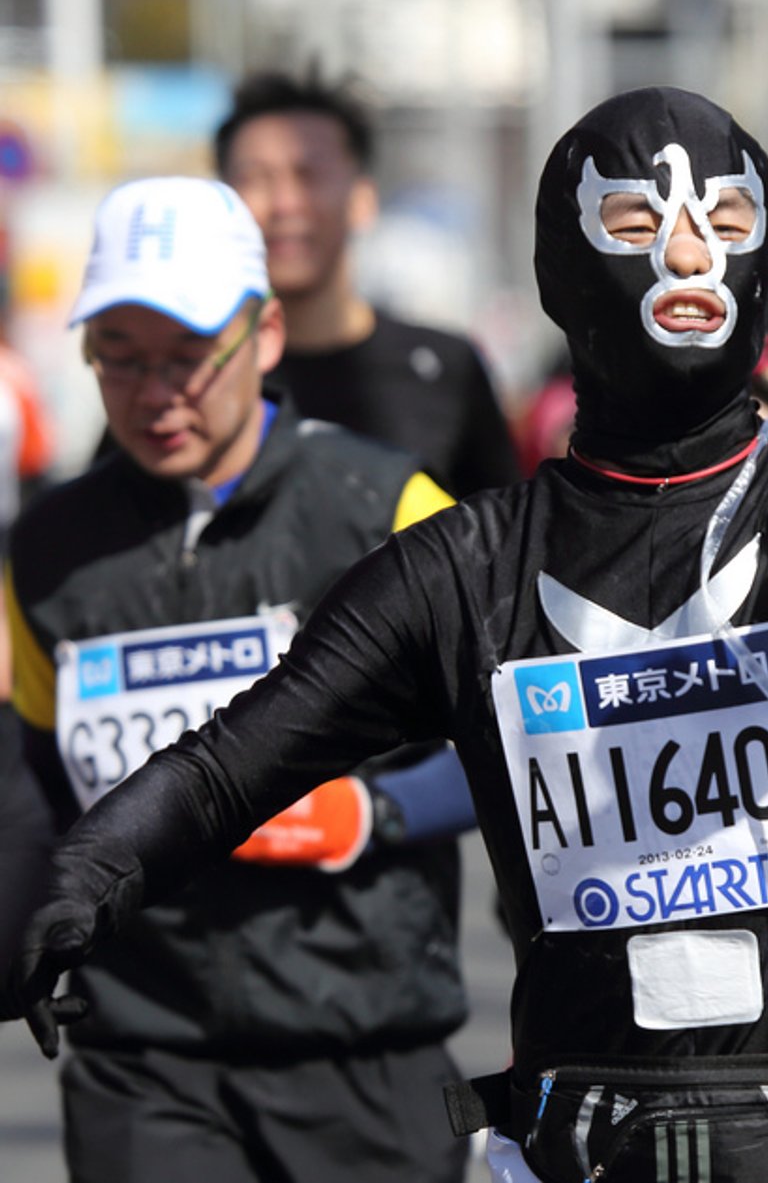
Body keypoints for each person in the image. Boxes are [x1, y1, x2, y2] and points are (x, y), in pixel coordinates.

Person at [3, 61, 768, 1181]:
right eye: (637, 218)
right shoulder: (461, 571)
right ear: (564, 267)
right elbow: (227, 770)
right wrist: (84, 874)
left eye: (728, 218)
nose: (688, 254)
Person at [1, 177, 466, 1182]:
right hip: (142, 1059)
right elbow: (38, 788)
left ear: (262, 337)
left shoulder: (387, 506)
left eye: (184, 357)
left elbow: (528, 740)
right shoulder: (43, 550)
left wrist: (368, 814)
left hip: (363, 1051)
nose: (154, 391)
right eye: (118, 357)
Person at [215, 69, 521, 498]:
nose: (284, 204)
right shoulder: (195, 373)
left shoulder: (446, 369)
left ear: (363, 199)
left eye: (308, 174)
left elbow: (503, 544)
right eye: (255, 178)